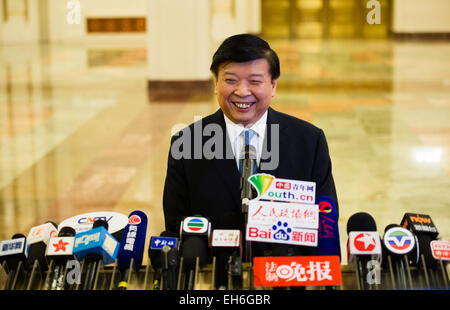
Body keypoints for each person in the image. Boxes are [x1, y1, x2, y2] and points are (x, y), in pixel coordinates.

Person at [162, 34, 338, 257]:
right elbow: (176, 226)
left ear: (273, 85)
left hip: (286, 275)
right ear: (216, 83)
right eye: (230, 80)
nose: (242, 92)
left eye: (254, 81)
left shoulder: (309, 141)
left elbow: (326, 224)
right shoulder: (187, 143)